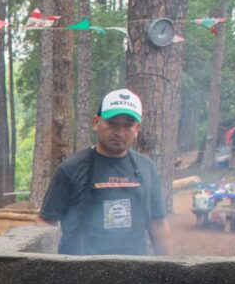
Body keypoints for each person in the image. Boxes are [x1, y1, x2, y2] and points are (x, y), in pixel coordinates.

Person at [37, 88, 172, 256]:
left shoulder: (147, 168)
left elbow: (158, 224)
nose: (119, 132)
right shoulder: (71, 169)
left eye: (128, 125)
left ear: (137, 128)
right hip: (79, 269)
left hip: (135, 268)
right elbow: (45, 223)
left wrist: (167, 268)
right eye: (112, 123)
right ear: (96, 122)